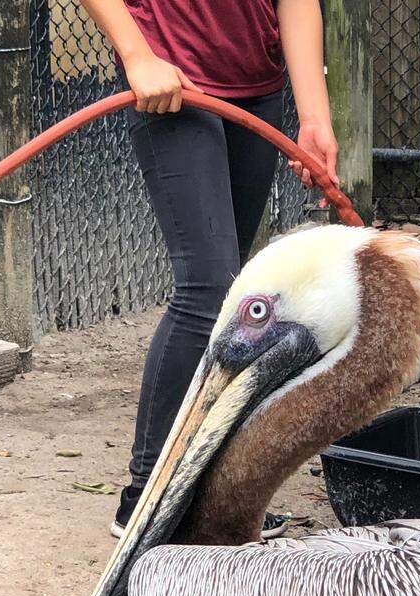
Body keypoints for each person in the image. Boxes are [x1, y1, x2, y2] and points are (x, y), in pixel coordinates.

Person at [79, 0, 340, 540]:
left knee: (233, 299)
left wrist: (314, 118)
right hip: (172, 84)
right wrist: (137, 54)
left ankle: (209, 494)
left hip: (257, 92)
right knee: (209, 288)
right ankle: (147, 493)